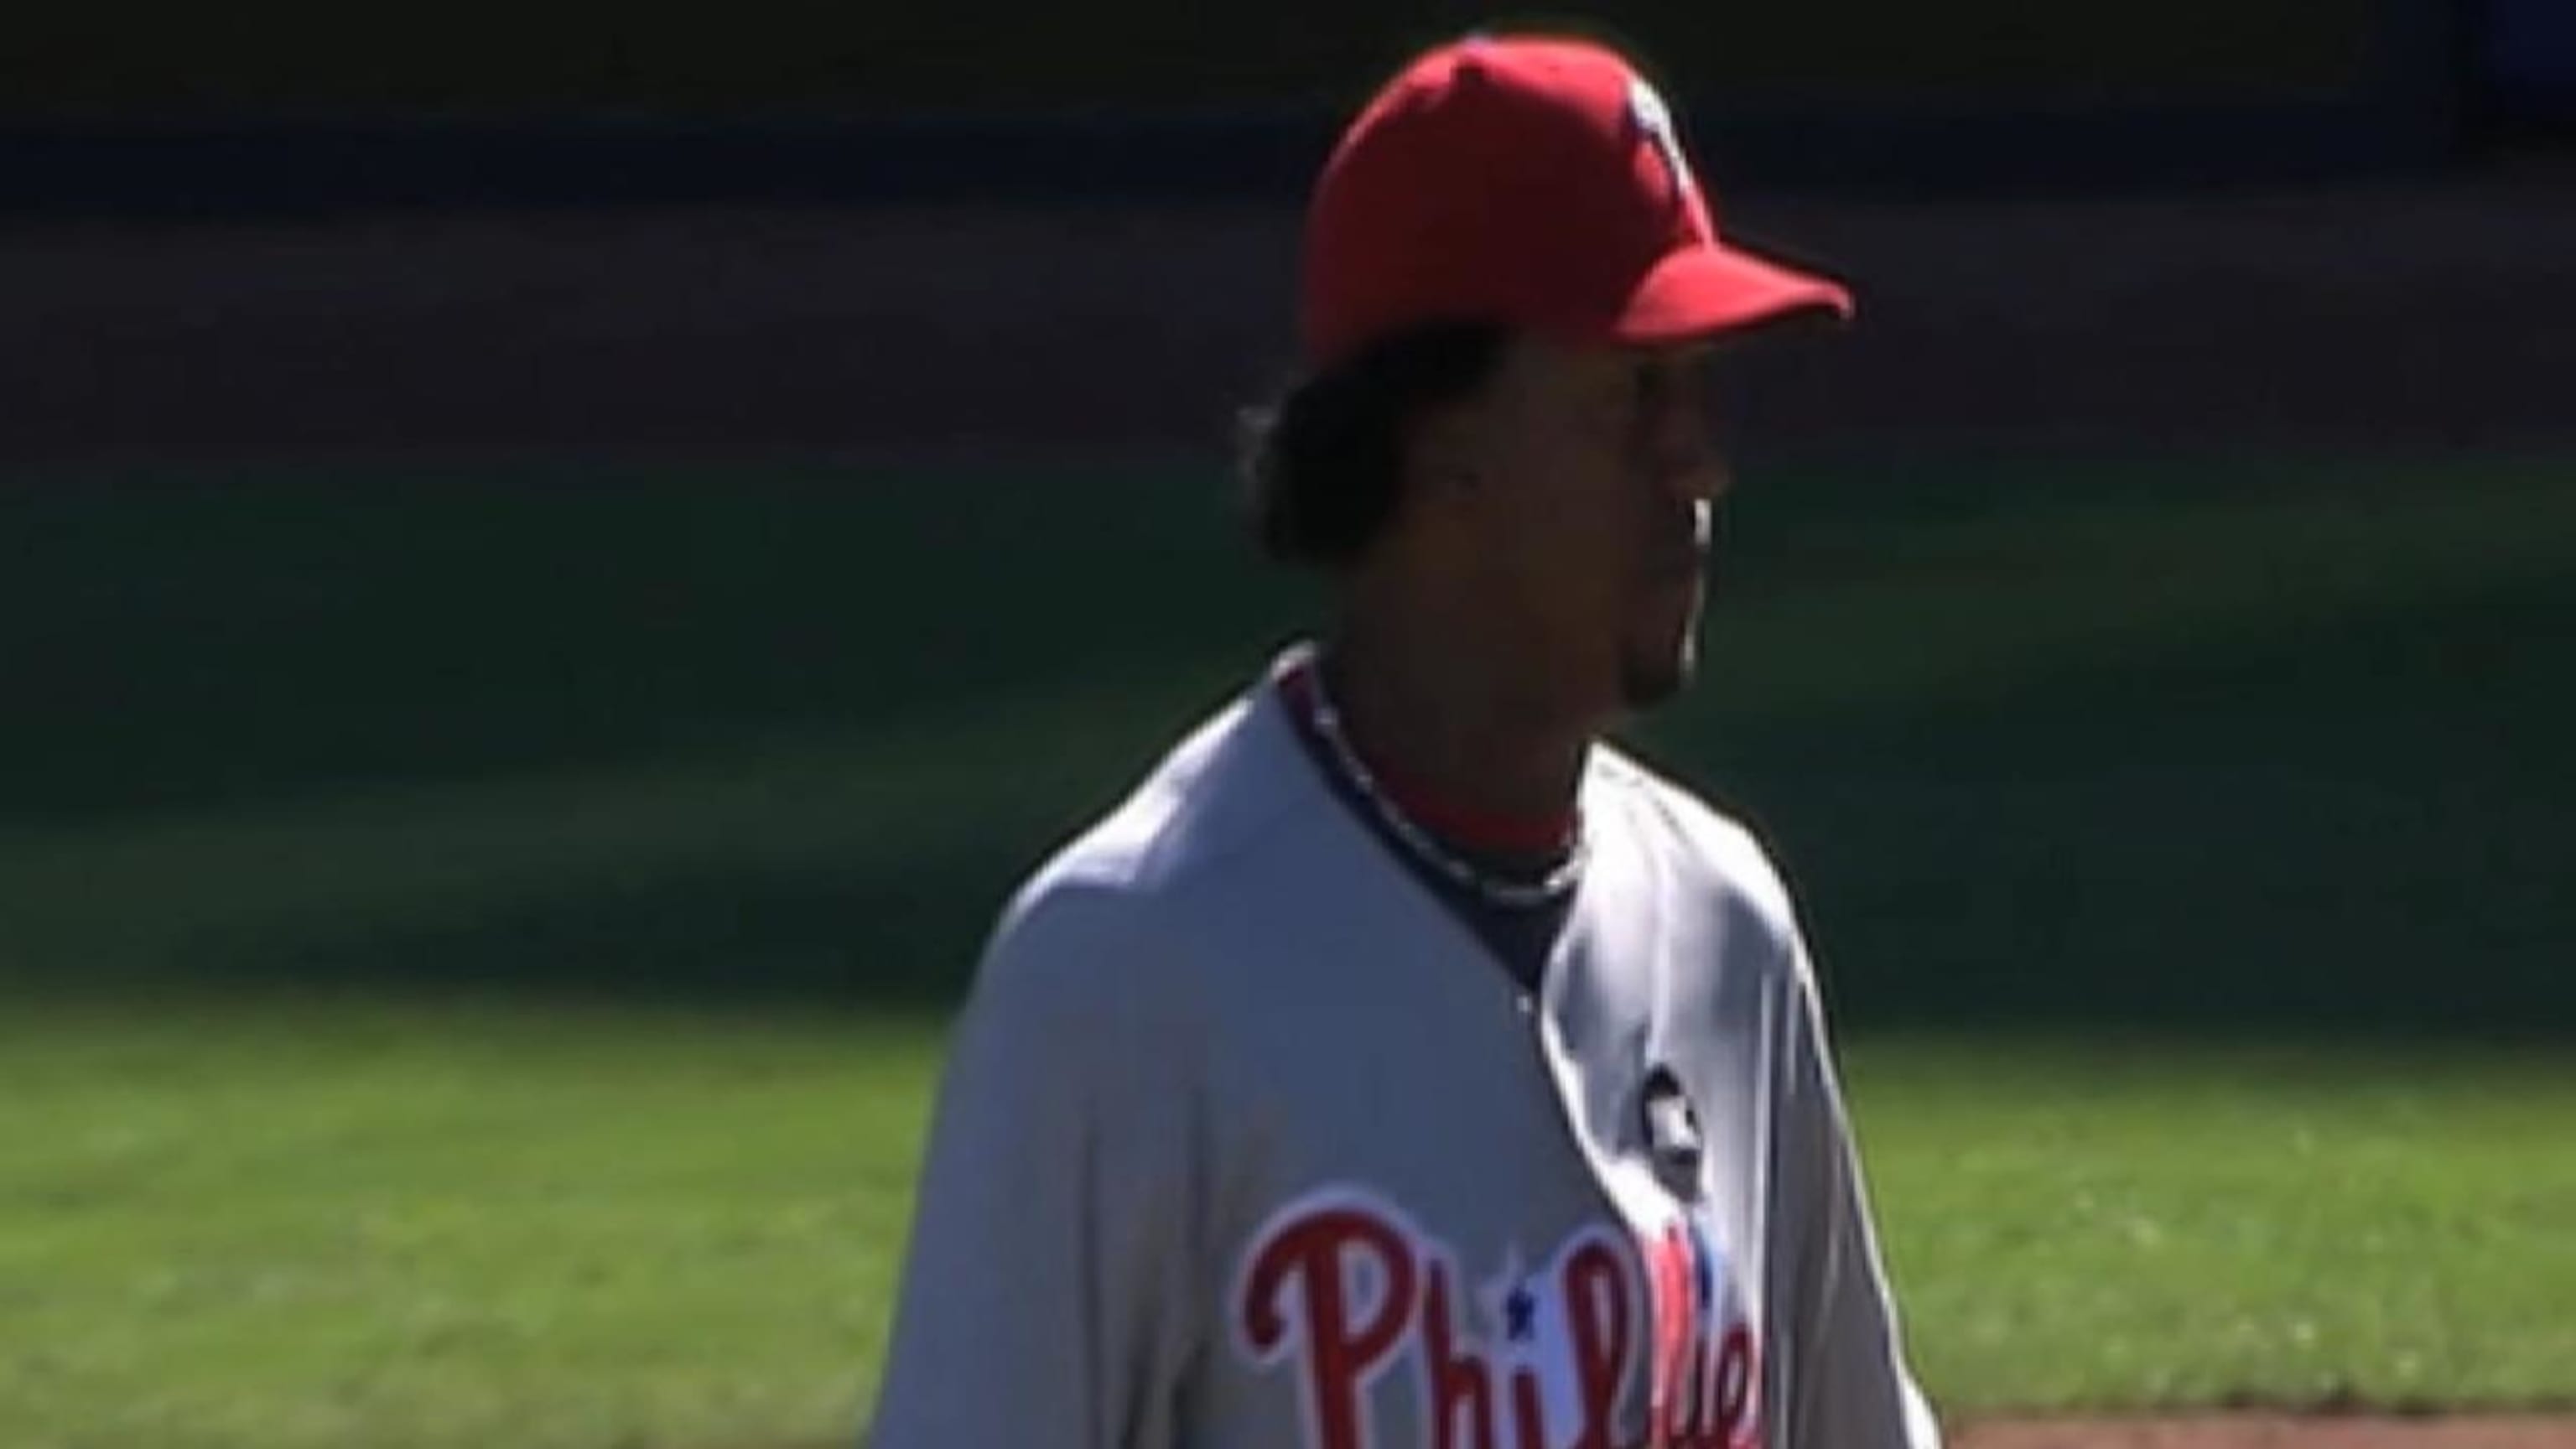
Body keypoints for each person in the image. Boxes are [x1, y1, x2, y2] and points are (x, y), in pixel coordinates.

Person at [868, 30, 1940, 1449]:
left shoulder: (1726, 926)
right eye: (1633, 398)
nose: (1701, 462)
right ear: (1436, 451)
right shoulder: (1128, 971)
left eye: (1697, 396)